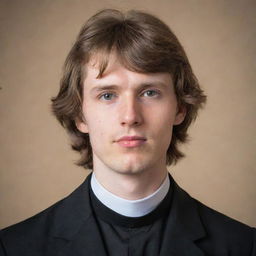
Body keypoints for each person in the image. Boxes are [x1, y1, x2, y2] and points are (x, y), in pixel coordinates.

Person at [0, 9, 255, 256]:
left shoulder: (244, 246)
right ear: (79, 114)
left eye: (150, 92)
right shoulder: (11, 248)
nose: (130, 116)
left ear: (180, 109)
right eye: (107, 95)